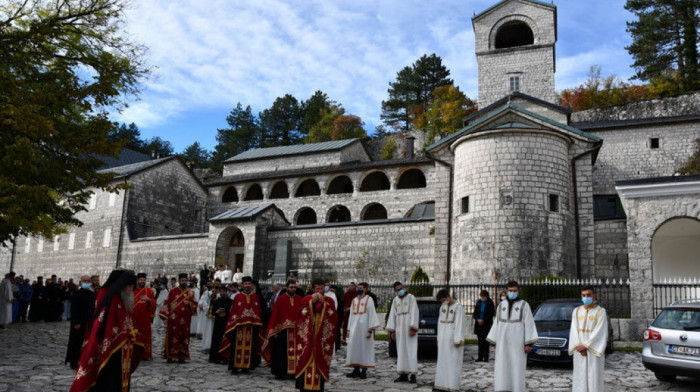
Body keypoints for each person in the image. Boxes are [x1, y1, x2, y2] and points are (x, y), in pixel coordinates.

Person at [69, 269, 138, 392]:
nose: (130, 289)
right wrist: (124, 333)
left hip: (121, 345)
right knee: (107, 377)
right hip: (111, 343)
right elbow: (105, 322)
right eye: (128, 286)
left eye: (132, 286)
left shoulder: (121, 297)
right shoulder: (109, 296)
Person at [486, 280, 538, 392]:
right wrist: (494, 340)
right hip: (503, 342)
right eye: (510, 291)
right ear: (506, 291)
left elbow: (529, 324)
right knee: (502, 365)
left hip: (518, 342)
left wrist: (528, 343)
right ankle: (502, 389)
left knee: (517, 366)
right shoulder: (501, 305)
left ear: (518, 291)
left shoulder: (524, 305)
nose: (512, 292)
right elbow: (496, 322)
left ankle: (517, 389)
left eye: (515, 291)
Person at [294, 278, 338, 392]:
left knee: (320, 360)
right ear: (313, 289)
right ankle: (304, 387)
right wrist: (311, 303)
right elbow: (300, 316)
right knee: (305, 358)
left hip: (321, 339)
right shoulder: (306, 299)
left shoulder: (329, 300)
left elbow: (333, 317)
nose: (319, 291)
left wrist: (324, 304)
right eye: (317, 289)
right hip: (308, 338)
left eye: (322, 289)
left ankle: (319, 388)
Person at [569, 285, 609, 392]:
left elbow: (600, 332)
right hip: (579, 351)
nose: (586, 297)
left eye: (588, 295)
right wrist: (579, 346)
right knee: (580, 377)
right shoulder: (576, 311)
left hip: (593, 351)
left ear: (593, 295)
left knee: (594, 378)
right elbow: (574, 330)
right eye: (584, 295)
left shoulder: (600, 312)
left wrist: (586, 346)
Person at [261, 279, 304, 379]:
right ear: (286, 288)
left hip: (296, 331)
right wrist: (274, 330)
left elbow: (302, 314)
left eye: (294, 287)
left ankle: (293, 372)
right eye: (291, 287)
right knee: (281, 352)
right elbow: (275, 316)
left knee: (296, 352)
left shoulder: (300, 299)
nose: (293, 289)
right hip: (282, 331)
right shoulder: (280, 299)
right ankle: (280, 372)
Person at [220, 276, 263, 374]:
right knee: (236, 347)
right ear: (243, 285)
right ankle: (235, 367)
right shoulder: (238, 297)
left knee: (250, 347)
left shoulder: (255, 297)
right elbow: (234, 312)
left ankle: (246, 367)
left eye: (249, 284)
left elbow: (257, 311)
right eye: (245, 284)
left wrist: (254, 321)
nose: (247, 285)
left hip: (251, 327)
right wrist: (235, 323)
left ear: (251, 285)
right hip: (238, 327)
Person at [385, 281, 419, 384]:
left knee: (411, 350)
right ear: (395, 291)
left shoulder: (411, 298)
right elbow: (392, 315)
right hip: (399, 328)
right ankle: (403, 374)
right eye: (398, 290)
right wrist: (392, 330)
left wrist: (413, 327)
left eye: (401, 289)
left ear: (403, 287)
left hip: (409, 328)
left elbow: (415, 312)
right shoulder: (395, 300)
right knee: (401, 351)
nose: (400, 291)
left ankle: (413, 374)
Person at [159, 273, 197, 363]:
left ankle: (182, 356)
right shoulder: (172, 291)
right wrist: (164, 317)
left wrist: (190, 304)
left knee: (184, 336)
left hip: (186, 320)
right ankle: (170, 356)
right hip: (173, 319)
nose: (184, 282)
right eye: (182, 280)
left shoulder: (190, 292)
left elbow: (195, 305)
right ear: (179, 281)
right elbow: (167, 303)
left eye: (185, 280)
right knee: (173, 335)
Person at [345, 282, 380, 379]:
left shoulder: (369, 300)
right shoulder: (354, 300)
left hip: (365, 328)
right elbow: (351, 315)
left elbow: (372, 314)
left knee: (364, 349)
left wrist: (370, 330)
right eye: (358, 288)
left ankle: (364, 370)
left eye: (361, 288)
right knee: (354, 348)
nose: (359, 289)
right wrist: (349, 329)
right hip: (354, 329)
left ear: (365, 289)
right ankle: (356, 369)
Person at [434, 289, 467, 392]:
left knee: (453, 363)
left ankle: (452, 386)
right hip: (443, 339)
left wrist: (458, 340)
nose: (443, 302)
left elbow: (460, 325)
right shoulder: (443, 307)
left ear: (448, 296)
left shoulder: (458, 307)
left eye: (444, 300)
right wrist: (438, 338)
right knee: (442, 362)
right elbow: (439, 323)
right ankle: (441, 385)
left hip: (453, 340)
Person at [65, 275, 96, 370]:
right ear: (81, 282)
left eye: (88, 281)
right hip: (78, 323)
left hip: (88, 322)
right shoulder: (77, 295)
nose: (86, 283)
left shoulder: (92, 294)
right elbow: (74, 310)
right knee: (76, 342)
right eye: (84, 281)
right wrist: (76, 323)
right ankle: (74, 361)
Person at [132, 273, 156, 365]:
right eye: (141, 280)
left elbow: (154, 302)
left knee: (145, 334)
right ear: (137, 280)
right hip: (135, 317)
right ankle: (134, 353)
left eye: (144, 280)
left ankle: (145, 354)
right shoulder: (133, 290)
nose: (143, 281)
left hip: (145, 318)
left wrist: (149, 300)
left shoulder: (149, 291)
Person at [208, 286, 232, 364]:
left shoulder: (230, 301)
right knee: (216, 340)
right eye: (221, 292)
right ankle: (215, 357)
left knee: (225, 340)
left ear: (226, 292)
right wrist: (217, 312)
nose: (222, 293)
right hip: (218, 323)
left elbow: (233, 312)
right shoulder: (216, 301)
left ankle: (225, 357)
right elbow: (212, 312)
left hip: (226, 323)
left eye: (224, 292)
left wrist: (226, 313)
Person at [473, 289, 495, 362]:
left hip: (486, 325)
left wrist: (484, 320)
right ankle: (480, 356)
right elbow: (475, 313)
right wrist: (478, 319)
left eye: (483, 296)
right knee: (480, 342)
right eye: (481, 296)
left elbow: (491, 314)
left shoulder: (490, 303)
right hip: (479, 324)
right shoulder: (478, 302)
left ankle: (486, 357)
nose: (482, 298)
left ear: (486, 296)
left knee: (486, 342)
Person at [199, 284, 215, 351]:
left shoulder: (217, 293)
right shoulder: (207, 293)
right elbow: (204, 301)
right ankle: (207, 344)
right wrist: (207, 308)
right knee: (207, 329)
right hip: (208, 312)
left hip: (215, 313)